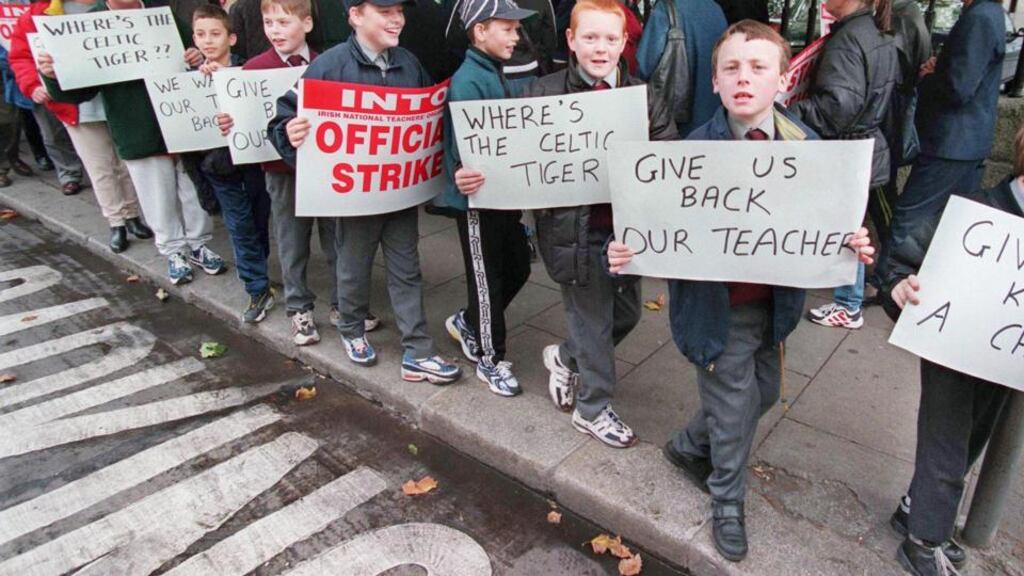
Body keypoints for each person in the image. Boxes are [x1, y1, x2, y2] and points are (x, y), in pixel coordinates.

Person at [607, 20, 874, 561]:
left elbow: (826, 219)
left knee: (764, 393)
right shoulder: (688, 154)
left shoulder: (809, 148)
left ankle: (688, 446)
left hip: (774, 308)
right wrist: (626, 249)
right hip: (716, 312)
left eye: (758, 67)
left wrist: (852, 241)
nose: (743, 78)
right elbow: (654, 225)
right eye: (731, 68)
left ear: (784, 80)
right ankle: (727, 500)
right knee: (733, 411)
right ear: (715, 82)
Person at [268, 0, 461, 384]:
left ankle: (418, 350)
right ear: (355, 16)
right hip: (355, 198)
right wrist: (288, 132)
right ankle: (351, 329)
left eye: (399, 12)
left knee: (408, 269)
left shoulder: (409, 63)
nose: (397, 20)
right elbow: (283, 116)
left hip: (400, 192)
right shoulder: (329, 66)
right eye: (385, 12)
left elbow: (430, 116)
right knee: (353, 266)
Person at [528, 0, 677, 448]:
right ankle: (592, 409)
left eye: (611, 39)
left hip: (625, 235)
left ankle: (566, 357)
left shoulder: (644, 96)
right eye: (590, 37)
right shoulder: (543, 93)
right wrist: (479, 176)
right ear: (571, 41)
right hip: (572, 231)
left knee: (626, 315)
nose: (600, 48)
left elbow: (667, 156)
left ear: (624, 43)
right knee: (592, 322)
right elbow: (518, 159)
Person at [880, 125, 1024, 576]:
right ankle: (924, 539)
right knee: (946, 436)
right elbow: (904, 261)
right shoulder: (972, 211)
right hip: (950, 347)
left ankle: (915, 507)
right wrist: (897, 287)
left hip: (1003, 354)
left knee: (976, 432)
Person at [217, 0, 381, 342]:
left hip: (326, 171)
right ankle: (299, 309)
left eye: (283, 22)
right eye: (268, 23)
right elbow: (242, 119)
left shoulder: (328, 64)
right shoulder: (252, 70)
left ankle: (343, 304)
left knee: (336, 239)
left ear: (306, 24)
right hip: (281, 171)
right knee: (292, 241)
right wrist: (230, 123)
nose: (275, 31)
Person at [38, 0, 224, 285]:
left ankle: (199, 244)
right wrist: (52, 76)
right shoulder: (91, 22)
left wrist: (197, 57)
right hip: (136, 127)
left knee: (193, 189)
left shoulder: (160, 13)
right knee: (156, 194)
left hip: (183, 121)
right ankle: (173, 250)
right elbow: (77, 93)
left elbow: (197, 52)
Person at [443, 0, 536, 397]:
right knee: (486, 284)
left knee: (517, 268)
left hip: (503, 199)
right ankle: (489, 358)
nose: (516, 36)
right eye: (508, 28)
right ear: (480, 31)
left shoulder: (494, 71)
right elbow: (464, 149)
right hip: (477, 204)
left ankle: (468, 322)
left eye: (516, 29)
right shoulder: (468, 81)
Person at [11, 0, 154, 253]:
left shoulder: (111, 4)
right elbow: (21, 56)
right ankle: (116, 222)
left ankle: (132, 215)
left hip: (119, 101)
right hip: (77, 108)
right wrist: (33, 85)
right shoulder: (39, 13)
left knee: (125, 164)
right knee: (100, 167)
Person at [879, 0, 1005, 284]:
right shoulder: (989, 13)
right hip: (966, 141)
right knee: (947, 224)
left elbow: (958, 88)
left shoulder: (980, 17)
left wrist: (928, 77)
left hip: (952, 142)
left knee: (908, 219)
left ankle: (886, 284)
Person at [789, 0, 898, 329]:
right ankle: (850, 300)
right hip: (865, 147)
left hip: (848, 152)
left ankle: (849, 304)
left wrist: (792, 108)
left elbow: (838, 109)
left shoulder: (848, 39)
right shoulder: (873, 31)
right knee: (853, 225)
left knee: (848, 228)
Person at [190, 4, 276, 323]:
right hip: (219, 169)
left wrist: (227, 78)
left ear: (232, 38)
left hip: (254, 164)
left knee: (259, 220)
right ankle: (256, 287)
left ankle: (259, 271)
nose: (208, 41)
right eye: (201, 34)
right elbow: (187, 136)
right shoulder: (190, 81)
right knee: (239, 226)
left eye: (215, 34)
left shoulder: (249, 71)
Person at [633, 0, 726, 137]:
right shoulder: (717, 9)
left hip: (676, 123)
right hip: (714, 120)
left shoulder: (665, 9)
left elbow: (644, 65)